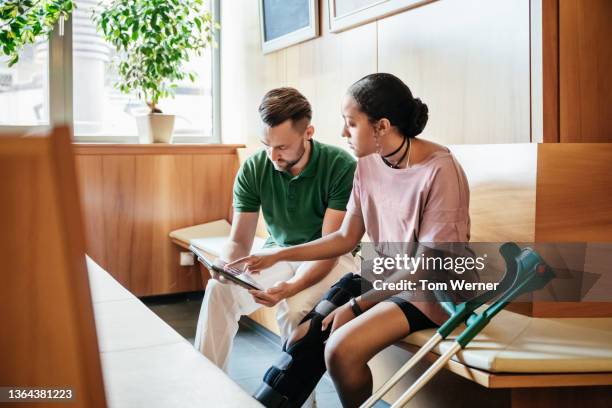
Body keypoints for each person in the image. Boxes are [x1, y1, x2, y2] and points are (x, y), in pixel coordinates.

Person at [228, 73, 471, 407]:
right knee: (303, 337)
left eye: (350, 123)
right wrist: (277, 255)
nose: (343, 132)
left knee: (341, 349)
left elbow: (427, 266)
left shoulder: (440, 170)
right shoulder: (368, 163)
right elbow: (344, 237)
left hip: (431, 290)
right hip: (382, 275)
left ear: (382, 126)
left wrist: (357, 305)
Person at [194, 87, 357, 375]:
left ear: (308, 132)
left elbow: (330, 247)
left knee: (294, 310)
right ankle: (207, 385)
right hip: (277, 253)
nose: (272, 155)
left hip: (332, 256)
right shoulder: (255, 167)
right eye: (267, 144)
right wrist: (225, 266)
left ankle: (290, 398)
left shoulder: (340, 165)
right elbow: (240, 241)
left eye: (281, 147)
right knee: (219, 289)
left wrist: (290, 288)